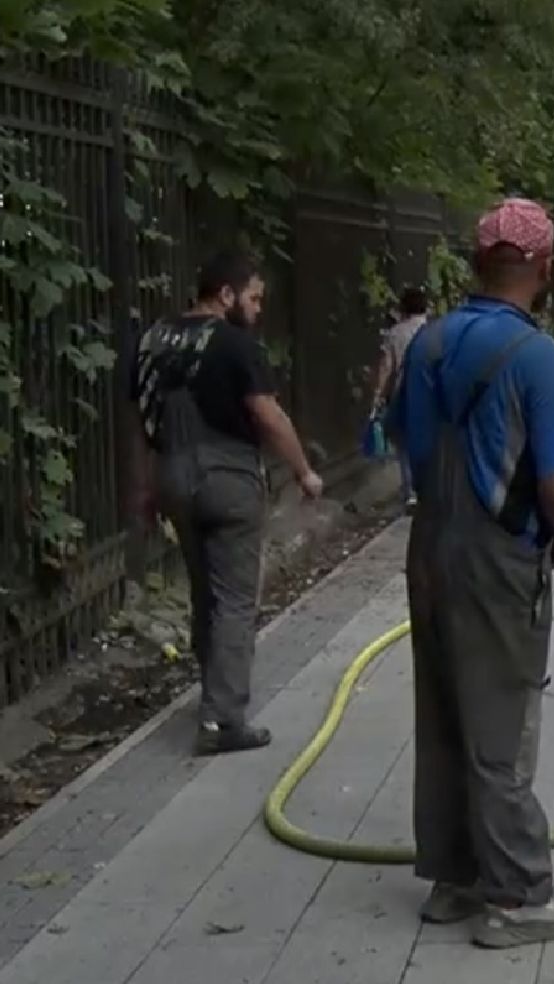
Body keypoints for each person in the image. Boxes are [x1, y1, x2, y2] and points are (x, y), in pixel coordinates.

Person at [384, 198, 554, 948]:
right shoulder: (533, 355)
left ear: (476, 263)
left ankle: (453, 878)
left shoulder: (429, 342)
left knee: (442, 711)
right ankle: (515, 897)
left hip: (428, 547)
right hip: (497, 558)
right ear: (545, 267)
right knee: (501, 722)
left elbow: (404, 444)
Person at [131, 250, 323, 757]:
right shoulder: (234, 343)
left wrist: (147, 487)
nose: (258, 309)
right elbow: (267, 414)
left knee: (204, 593)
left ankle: (210, 694)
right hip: (227, 477)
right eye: (254, 298)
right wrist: (303, 471)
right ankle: (222, 720)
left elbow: (141, 420)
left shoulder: (153, 340)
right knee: (237, 598)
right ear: (226, 294)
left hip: (173, 472)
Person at [370, 286, 431, 508]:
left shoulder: (395, 334)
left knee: (404, 445)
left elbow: (387, 367)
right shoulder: (437, 330)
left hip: (402, 395)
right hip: (431, 395)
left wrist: (378, 396)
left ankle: (411, 492)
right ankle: (429, 487)